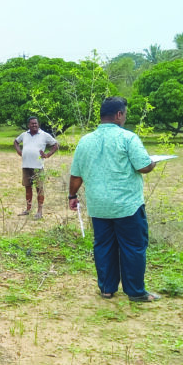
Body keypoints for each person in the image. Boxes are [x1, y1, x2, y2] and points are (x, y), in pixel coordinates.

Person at [68, 96, 159, 302]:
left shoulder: (85, 141)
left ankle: (107, 289)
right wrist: (153, 162)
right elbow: (143, 166)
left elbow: (76, 175)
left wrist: (72, 196)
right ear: (119, 114)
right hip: (127, 206)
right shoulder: (128, 139)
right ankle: (135, 292)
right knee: (133, 247)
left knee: (103, 246)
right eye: (125, 114)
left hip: (98, 206)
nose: (125, 117)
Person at [13, 116, 59, 220]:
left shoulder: (44, 135)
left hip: (38, 167)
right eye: (32, 123)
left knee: (39, 189)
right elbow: (15, 141)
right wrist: (19, 151)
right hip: (26, 166)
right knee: (28, 188)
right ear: (28, 125)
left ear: (39, 124)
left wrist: (47, 155)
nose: (34, 125)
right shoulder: (24, 134)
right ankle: (28, 209)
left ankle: (39, 211)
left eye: (36, 123)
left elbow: (55, 145)